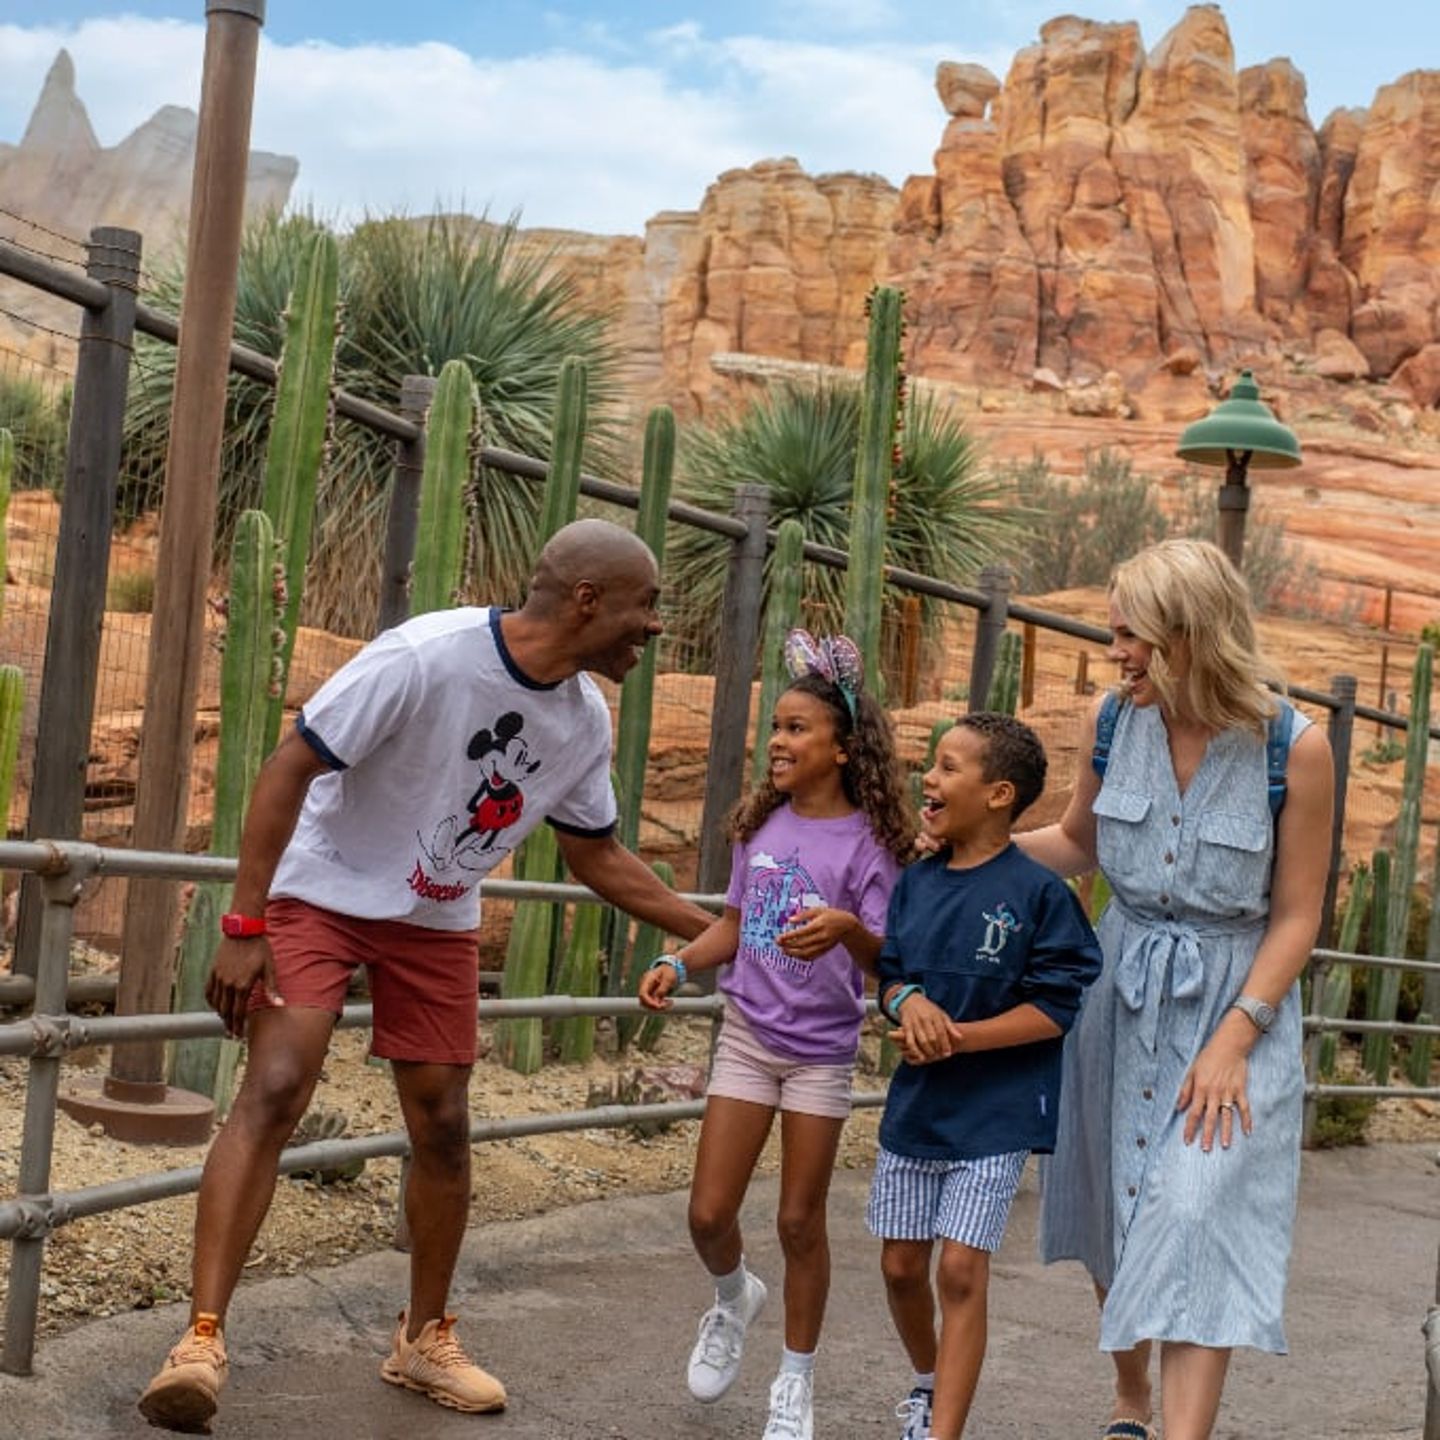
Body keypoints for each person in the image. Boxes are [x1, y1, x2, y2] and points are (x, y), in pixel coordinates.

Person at [138, 518, 713, 1433]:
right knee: (279, 1085)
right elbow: (291, 767)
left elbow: (600, 858)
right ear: (587, 599)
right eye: (646, 607)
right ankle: (200, 1343)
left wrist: (716, 929)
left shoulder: (584, 719)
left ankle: (422, 1338)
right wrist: (243, 922)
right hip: (321, 890)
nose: (655, 629)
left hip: (436, 915)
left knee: (443, 1122)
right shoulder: (426, 657)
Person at [1022, 539, 1334, 1440]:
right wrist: (973, 849)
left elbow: (1297, 915)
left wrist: (1236, 1039)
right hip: (1117, 993)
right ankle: (1130, 1399)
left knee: (1194, 1212)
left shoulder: (1294, 749)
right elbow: (1079, 844)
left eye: (1134, 636)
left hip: (1239, 1005)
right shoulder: (1113, 722)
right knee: (1114, 1205)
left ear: (1193, 635)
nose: (1117, 653)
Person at [638, 629, 914, 1440]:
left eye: (797, 729)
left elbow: (886, 958)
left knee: (800, 1221)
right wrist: (679, 963)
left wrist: (845, 931)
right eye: (777, 728)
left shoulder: (871, 843)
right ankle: (733, 1299)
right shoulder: (760, 824)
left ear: (843, 747)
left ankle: (794, 1382)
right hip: (750, 1039)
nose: (779, 742)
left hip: (822, 1053)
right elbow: (732, 926)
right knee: (706, 1213)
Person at [869, 711, 1102, 1440]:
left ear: (999, 793)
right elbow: (890, 976)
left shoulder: (1039, 895)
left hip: (997, 1113)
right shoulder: (916, 883)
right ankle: (929, 1382)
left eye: (946, 766)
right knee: (903, 1267)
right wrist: (907, 1003)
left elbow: (1058, 1008)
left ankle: (943, 1430)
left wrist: (960, 1037)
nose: (928, 781)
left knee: (961, 1271)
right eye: (931, 766)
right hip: (918, 1107)